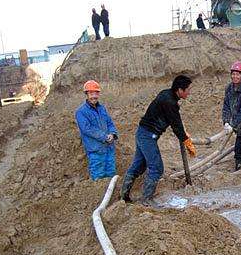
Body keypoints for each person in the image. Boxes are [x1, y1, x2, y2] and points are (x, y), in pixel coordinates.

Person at [120, 75, 197, 205]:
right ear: (180, 89)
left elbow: (176, 121)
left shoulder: (166, 94)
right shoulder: (170, 102)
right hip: (148, 136)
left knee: (139, 165)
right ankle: (146, 200)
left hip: (142, 133)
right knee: (157, 168)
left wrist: (184, 135)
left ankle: (124, 197)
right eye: (188, 89)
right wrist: (186, 141)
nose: (189, 92)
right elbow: (176, 125)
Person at [75, 80, 118, 180]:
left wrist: (112, 133)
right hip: (96, 150)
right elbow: (87, 129)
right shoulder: (81, 112)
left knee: (111, 177)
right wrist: (104, 136)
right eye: (91, 93)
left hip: (109, 148)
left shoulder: (102, 109)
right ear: (87, 94)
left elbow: (110, 123)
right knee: (98, 178)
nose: (94, 96)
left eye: (96, 93)